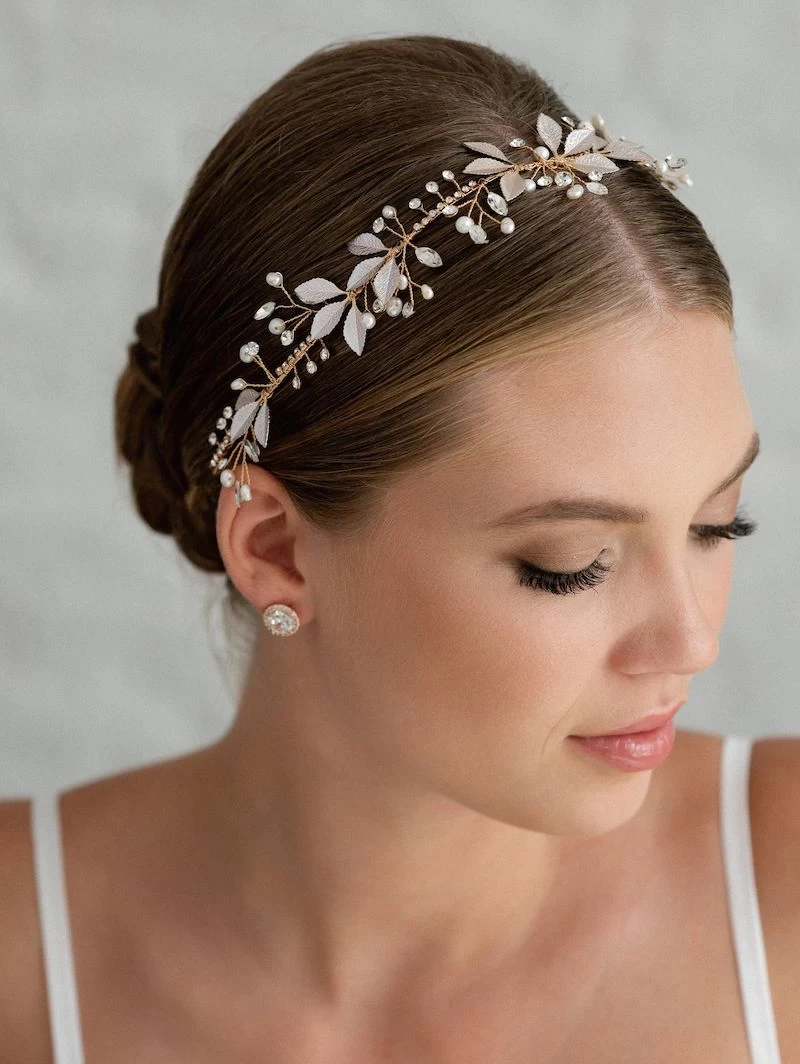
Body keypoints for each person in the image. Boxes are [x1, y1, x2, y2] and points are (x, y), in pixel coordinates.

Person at [1, 32, 797, 1064]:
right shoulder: (20, 960)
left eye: (715, 526)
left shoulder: (781, 892)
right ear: (278, 549)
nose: (689, 641)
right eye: (568, 563)